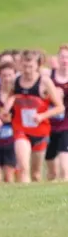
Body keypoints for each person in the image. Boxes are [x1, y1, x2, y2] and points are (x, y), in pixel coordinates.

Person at [4, 49, 63, 183]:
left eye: (30, 66)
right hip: (21, 129)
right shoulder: (16, 81)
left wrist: (42, 116)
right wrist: (7, 108)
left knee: (35, 174)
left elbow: (60, 107)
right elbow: (11, 96)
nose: (27, 70)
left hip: (40, 131)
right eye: (24, 66)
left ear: (37, 66)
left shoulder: (44, 82)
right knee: (23, 166)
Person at [46, 45, 68, 181]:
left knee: (64, 168)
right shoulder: (49, 77)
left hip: (66, 127)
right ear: (57, 59)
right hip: (48, 126)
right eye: (62, 57)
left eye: (67, 57)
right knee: (51, 170)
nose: (65, 60)